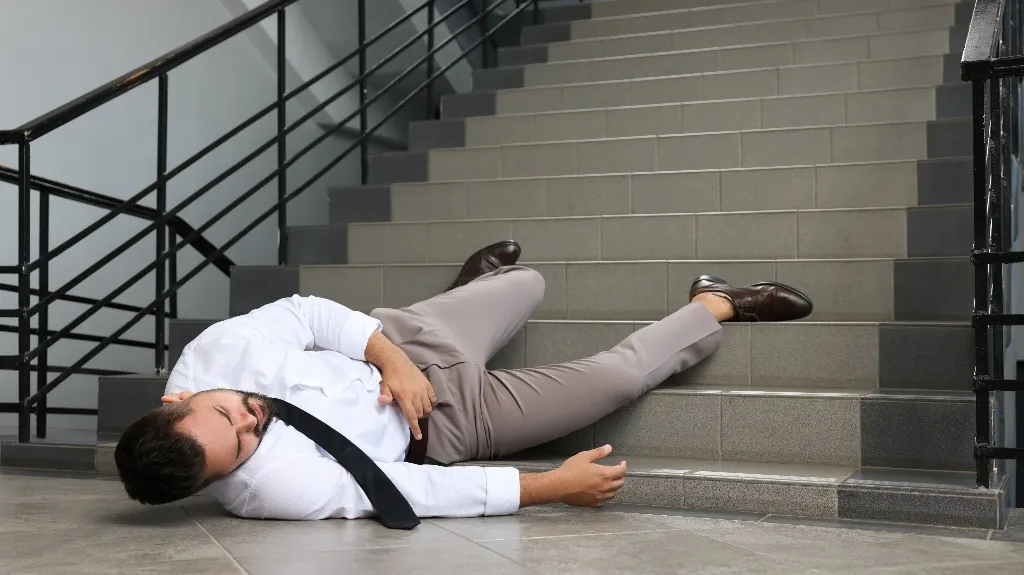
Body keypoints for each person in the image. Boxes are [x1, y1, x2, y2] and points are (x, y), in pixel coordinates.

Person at [114, 241, 812, 522]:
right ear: (217, 480)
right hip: (447, 422)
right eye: (241, 441)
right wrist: (547, 486)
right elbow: (406, 487)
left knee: (530, 283)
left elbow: (307, 314)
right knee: (617, 376)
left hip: (402, 342)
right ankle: (716, 302)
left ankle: (466, 292)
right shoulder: (268, 491)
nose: (252, 418)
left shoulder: (214, 353)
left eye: (230, 409)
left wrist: (393, 358)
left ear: (179, 397)